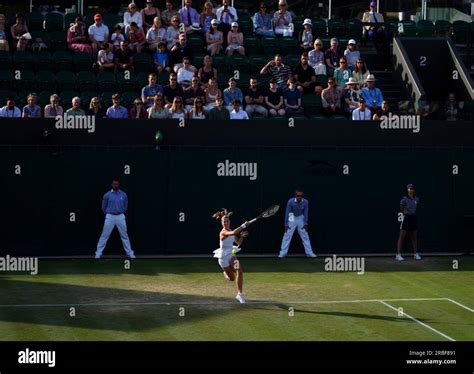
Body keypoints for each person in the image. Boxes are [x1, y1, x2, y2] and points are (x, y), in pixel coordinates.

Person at [211, 208, 251, 303]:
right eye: (224, 221)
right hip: (223, 259)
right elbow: (233, 233)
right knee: (231, 278)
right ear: (221, 222)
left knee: (239, 271)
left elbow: (238, 244)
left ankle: (239, 295)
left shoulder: (231, 231)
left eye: (227, 221)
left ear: (229, 222)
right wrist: (244, 225)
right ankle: (226, 274)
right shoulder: (223, 232)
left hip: (231, 255)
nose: (225, 223)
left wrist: (241, 237)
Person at [95, 177, 136, 260]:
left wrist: (120, 212)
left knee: (124, 235)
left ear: (119, 184)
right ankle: (98, 253)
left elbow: (126, 206)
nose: (115, 185)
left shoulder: (123, 194)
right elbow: (103, 207)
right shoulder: (107, 195)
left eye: (116, 184)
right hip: (110, 216)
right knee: (104, 236)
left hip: (120, 216)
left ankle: (130, 253)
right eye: (114, 184)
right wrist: (108, 214)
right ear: (112, 184)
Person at [279, 188, 316, 258]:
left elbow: (306, 213)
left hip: (301, 218)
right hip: (292, 217)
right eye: (298, 195)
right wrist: (286, 224)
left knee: (305, 236)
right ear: (295, 195)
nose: (299, 197)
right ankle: (282, 253)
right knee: (287, 235)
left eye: (301, 196)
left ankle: (309, 253)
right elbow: (287, 213)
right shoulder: (290, 201)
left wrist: (305, 223)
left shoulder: (305, 202)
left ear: (302, 196)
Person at [396, 184, 422, 261]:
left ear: (414, 190)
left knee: (414, 237)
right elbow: (401, 207)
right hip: (406, 218)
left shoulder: (416, 199)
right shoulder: (404, 199)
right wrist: (405, 214)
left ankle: (415, 254)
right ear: (407, 190)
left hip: (413, 218)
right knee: (401, 237)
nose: (411, 190)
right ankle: (398, 255)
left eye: (412, 189)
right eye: (409, 189)